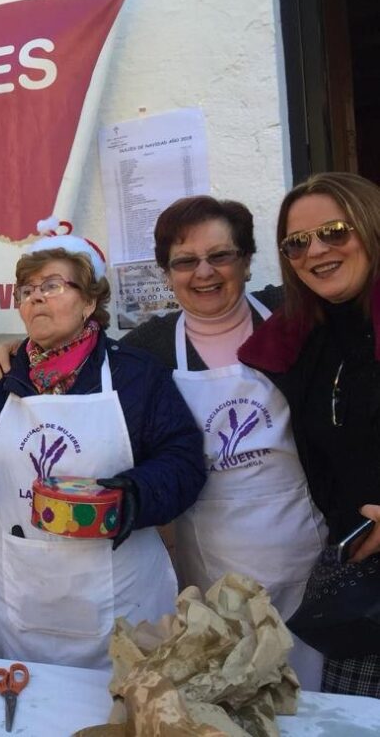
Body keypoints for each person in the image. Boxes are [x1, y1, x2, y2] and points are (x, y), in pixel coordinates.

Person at [0, 236, 205, 669]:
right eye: (27, 289)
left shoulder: (136, 376)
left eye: (52, 285)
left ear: (90, 301)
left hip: (119, 597)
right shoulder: (2, 381)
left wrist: (126, 499)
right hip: (18, 599)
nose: (36, 296)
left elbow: (183, 461)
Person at [117, 196, 328, 690]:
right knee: (233, 692)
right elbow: (86, 364)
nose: (204, 273)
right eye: (185, 261)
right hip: (211, 567)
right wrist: (17, 355)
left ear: (248, 260)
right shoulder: (148, 347)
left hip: (305, 556)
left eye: (221, 256)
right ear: (168, 274)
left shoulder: (291, 314)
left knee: (306, 695)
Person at [239, 172, 380, 698]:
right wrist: (25, 354)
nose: (316, 250)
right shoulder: (304, 337)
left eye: (336, 231)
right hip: (356, 577)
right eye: (297, 243)